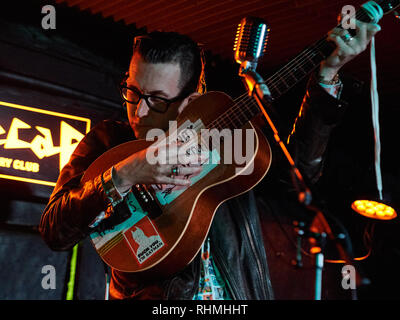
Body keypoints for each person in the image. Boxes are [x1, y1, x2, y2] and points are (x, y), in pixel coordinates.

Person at [39, 19, 381, 299]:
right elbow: (55, 230)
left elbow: (298, 176)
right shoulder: (107, 142)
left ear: (192, 98)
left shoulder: (228, 140)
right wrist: (127, 173)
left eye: (157, 99)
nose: (139, 110)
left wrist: (325, 77)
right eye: (132, 91)